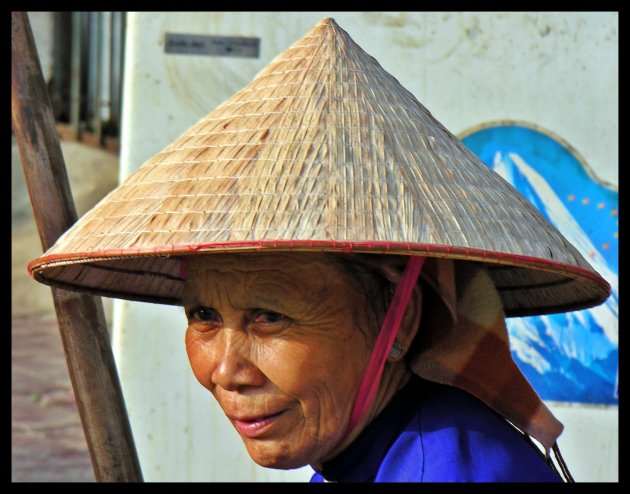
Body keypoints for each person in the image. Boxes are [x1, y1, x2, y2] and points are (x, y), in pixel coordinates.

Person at [29, 18, 610, 482]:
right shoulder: (371, 453)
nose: (225, 370)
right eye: (204, 315)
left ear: (399, 321)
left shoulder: (448, 470)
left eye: (269, 316)